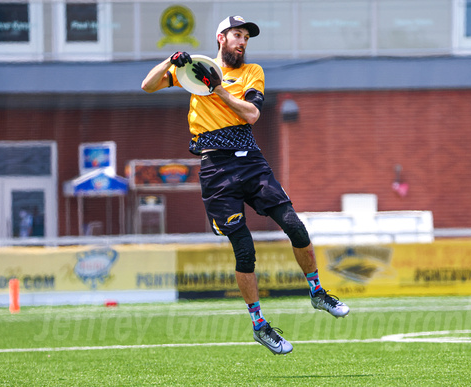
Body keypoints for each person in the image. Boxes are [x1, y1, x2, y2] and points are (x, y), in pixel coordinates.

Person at [142, 15, 349, 354]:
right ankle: (259, 325)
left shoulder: (252, 73)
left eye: (246, 38)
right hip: (215, 169)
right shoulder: (194, 71)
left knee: (294, 225)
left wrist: (218, 88)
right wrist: (172, 60)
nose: (242, 42)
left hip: (251, 161)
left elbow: (251, 115)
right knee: (244, 249)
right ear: (220, 38)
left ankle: (317, 292)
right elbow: (147, 86)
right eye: (236, 35)